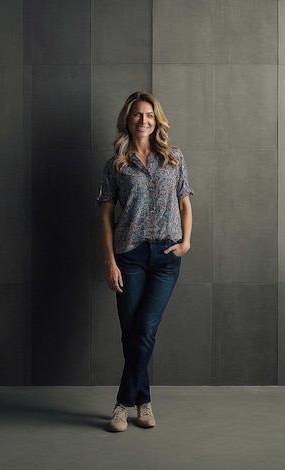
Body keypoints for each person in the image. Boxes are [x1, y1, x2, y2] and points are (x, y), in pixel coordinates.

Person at [96, 91, 193, 432]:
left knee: (146, 328)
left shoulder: (174, 157)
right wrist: (110, 262)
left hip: (166, 256)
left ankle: (122, 404)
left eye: (149, 115)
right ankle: (145, 403)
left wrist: (186, 241)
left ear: (157, 120)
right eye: (138, 115)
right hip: (130, 256)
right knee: (132, 332)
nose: (143, 120)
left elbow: (184, 203)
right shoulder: (116, 165)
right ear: (128, 119)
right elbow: (106, 217)